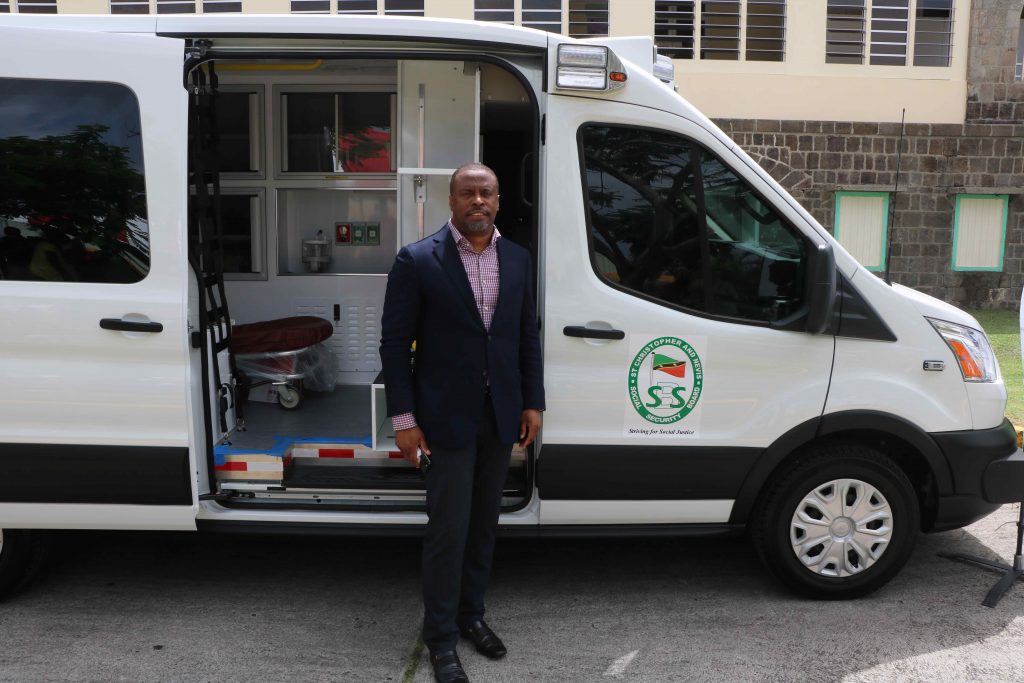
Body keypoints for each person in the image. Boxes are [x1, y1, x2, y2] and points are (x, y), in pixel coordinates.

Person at [380, 163, 544, 683]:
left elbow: (524, 339)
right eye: (468, 192)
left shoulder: (516, 259)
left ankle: (472, 616)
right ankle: (441, 639)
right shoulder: (418, 260)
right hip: (443, 419)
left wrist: (531, 402)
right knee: (448, 531)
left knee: (484, 527)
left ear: (498, 200)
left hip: (499, 418)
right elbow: (393, 345)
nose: (478, 200)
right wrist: (404, 420)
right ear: (450, 200)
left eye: (487, 192)